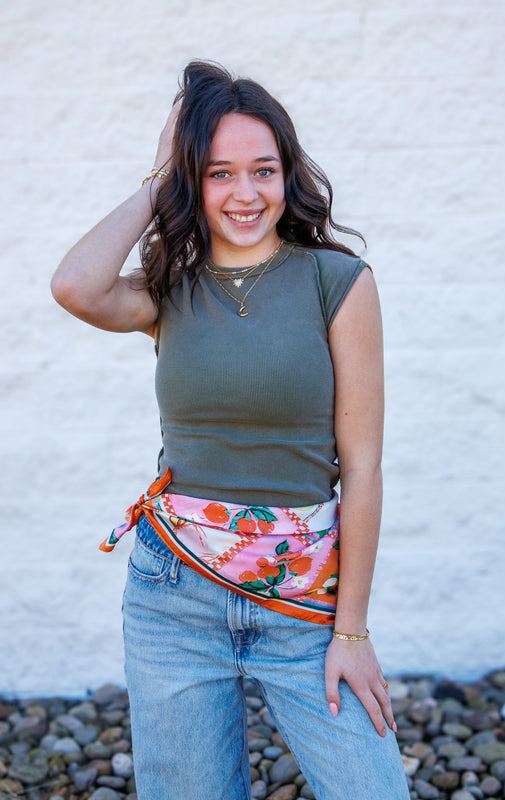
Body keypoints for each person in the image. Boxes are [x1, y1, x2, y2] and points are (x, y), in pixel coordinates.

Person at [51, 61, 409, 800]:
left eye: (263, 170)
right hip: (172, 595)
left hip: (304, 601)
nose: (244, 194)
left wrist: (351, 632)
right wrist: (157, 181)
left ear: (288, 174)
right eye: (217, 173)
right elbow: (74, 286)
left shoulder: (335, 282)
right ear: (193, 180)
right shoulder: (168, 285)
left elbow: (363, 467)